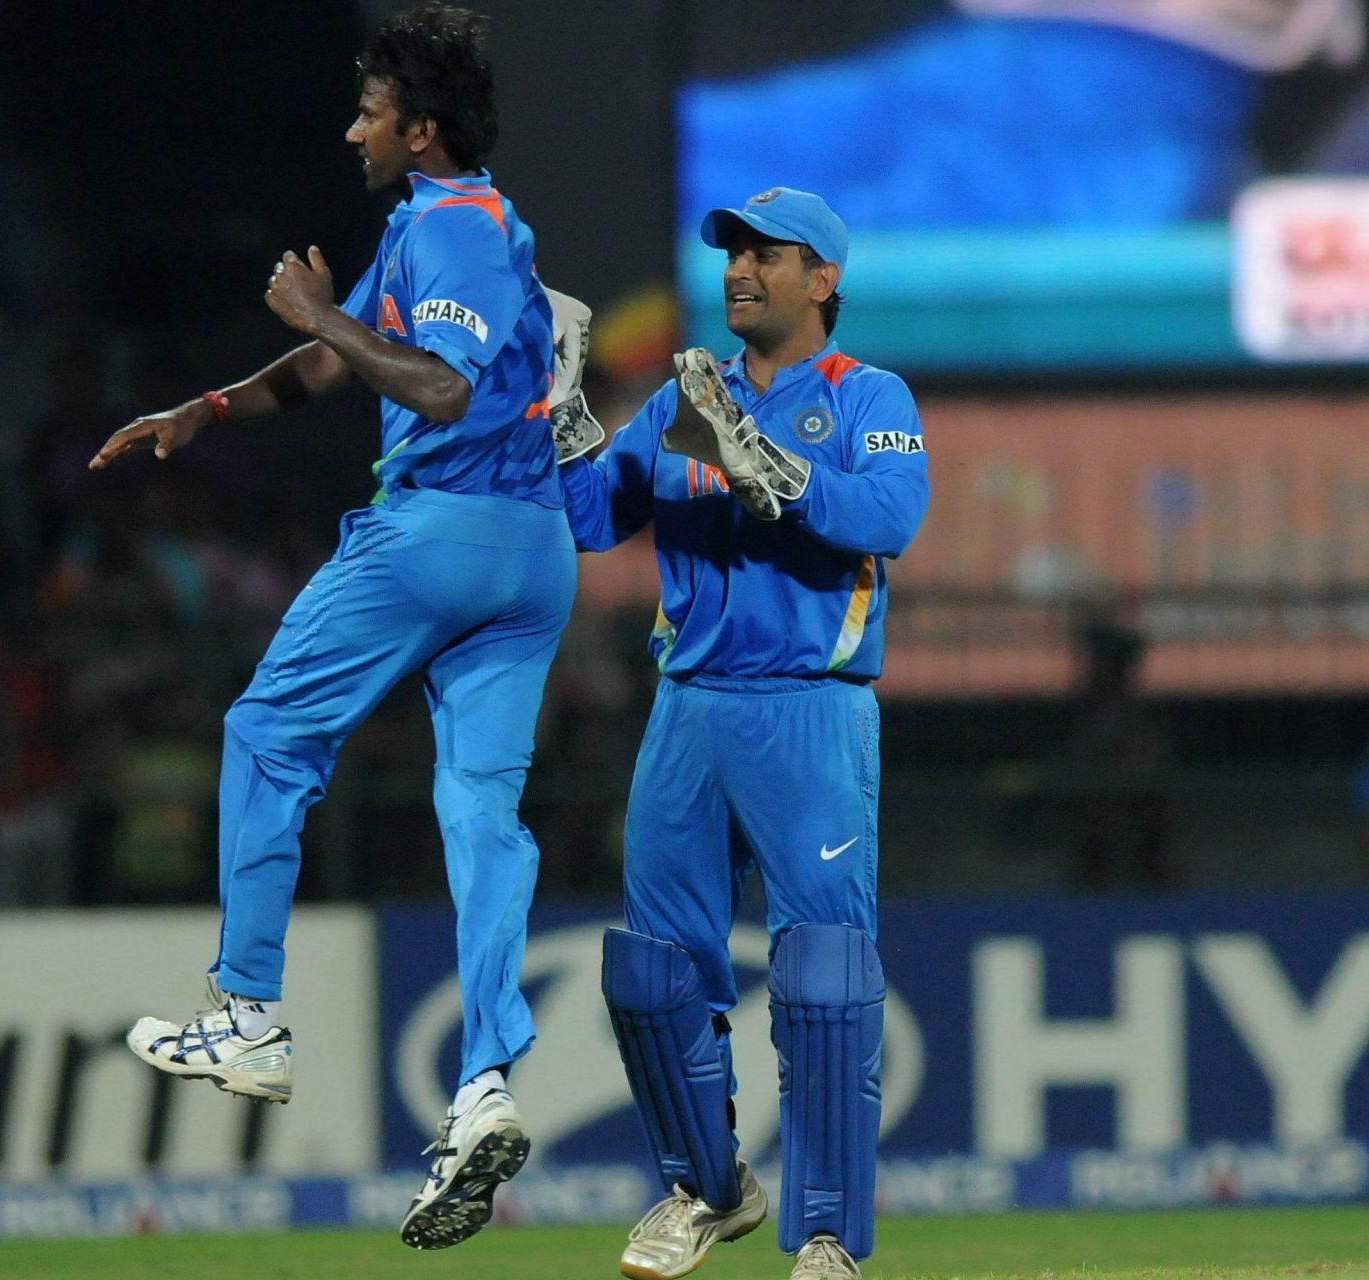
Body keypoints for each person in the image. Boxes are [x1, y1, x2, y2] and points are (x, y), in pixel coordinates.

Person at [93, 2, 575, 1251]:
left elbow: (438, 386)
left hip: (444, 531)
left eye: (369, 109)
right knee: (478, 812)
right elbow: (328, 370)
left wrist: (319, 317)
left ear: (420, 129)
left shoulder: (459, 227)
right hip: (531, 556)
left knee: (266, 733)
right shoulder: (436, 223)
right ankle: (483, 1086)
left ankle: (247, 1009)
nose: (348, 126)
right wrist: (204, 409)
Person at [561, 189, 929, 1280]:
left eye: (768, 255)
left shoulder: (870, 394)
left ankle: (822, 1235)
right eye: (730, 252)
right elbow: (591, 516)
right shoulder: (685, 395)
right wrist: (556, 414)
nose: (738, 271)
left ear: (823, 280)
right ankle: (705, 1190)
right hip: (687, 708)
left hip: (810, 706)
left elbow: (889, 517)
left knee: (821, 971)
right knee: (652, 973)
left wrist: (773, 468)